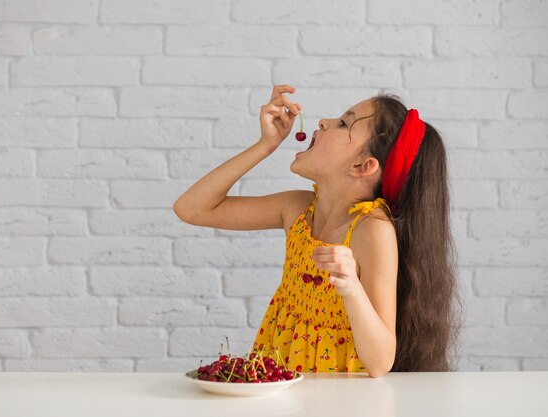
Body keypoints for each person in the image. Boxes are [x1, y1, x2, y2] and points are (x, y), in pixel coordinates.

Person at [173, 84, 462, 378]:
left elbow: (380, 361)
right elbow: (192, 208)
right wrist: (265, 145)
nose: (323, 121)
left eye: (343, 123)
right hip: (285, 389)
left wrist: (350, 286)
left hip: (340, 398)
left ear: (363, 166)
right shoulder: (297, 209)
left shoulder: (372, 229)